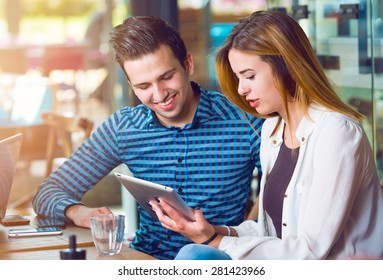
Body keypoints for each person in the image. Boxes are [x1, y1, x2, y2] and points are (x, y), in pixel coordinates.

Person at [149, 11, 383, 260]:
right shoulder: (272, 130)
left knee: (194, 255)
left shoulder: (337, 133)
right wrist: (216, 231)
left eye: (249, 76)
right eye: (239, 78)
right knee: (194, 253)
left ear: (287, 65)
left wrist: (214, 241)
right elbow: (271, 232)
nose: (241, 89)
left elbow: (309, 252)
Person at [32, 15, 264, 260]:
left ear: (188, 63)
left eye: (166, 77)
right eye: (143, 86)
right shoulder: (124, 127)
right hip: (144, 259)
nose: (159, 94)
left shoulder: (244, 120)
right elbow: (48, 192)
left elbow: (287, 202)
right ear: (131, 85)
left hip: (215, 259)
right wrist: (77, 211)